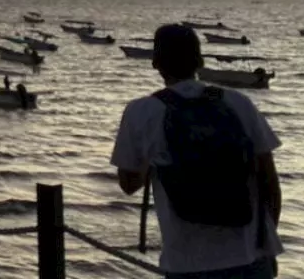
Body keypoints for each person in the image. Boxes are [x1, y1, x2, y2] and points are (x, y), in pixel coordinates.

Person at [111, 24, 282, 279]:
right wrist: (267, 246)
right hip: (251, 259)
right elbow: (270, 184)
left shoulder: (141, 112)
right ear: (199, 61)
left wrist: (154, 160)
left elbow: (128, 184)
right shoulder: (238, 103)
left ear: (155, 62)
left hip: (187, 265)